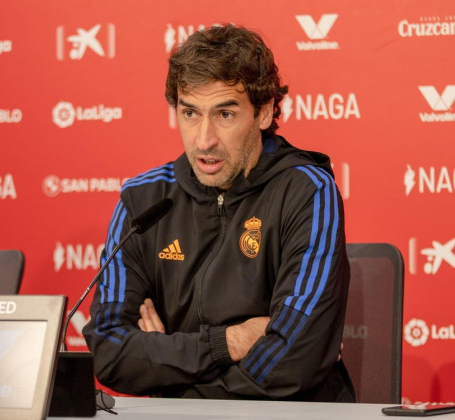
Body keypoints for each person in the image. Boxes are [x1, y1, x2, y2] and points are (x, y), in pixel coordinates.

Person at [82, 24, 355, 402]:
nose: (203, 139)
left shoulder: (306, 190)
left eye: (224, 115)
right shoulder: (142, 200)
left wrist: (169, 372)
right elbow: (109, 353)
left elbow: (295, 360)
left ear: (264, 111)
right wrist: (230, 342)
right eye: (190, 113)